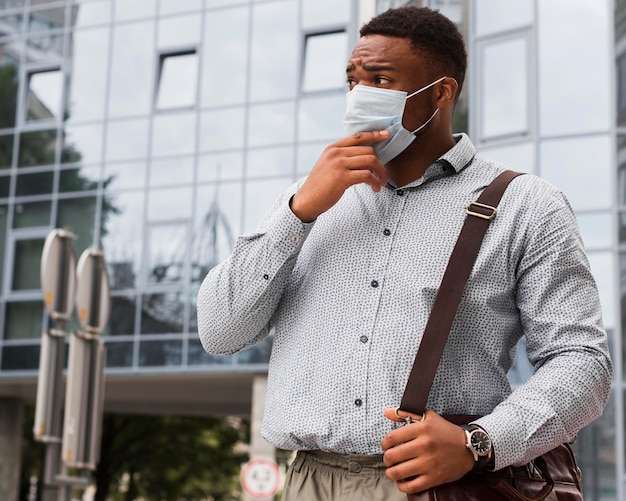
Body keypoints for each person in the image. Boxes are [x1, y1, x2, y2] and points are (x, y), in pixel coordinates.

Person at [197, 6, 612, 500]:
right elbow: (221, 331)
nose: (359, 96)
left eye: (381, 79)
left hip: (439, 485)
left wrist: (479, 443)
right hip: (308, 481)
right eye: (353, 80)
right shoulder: (309, 199)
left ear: (441, 93)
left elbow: (581, 359)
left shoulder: (528, 205)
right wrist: (299, 211)